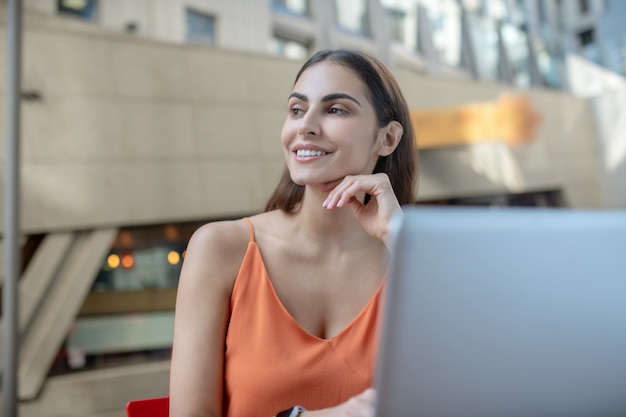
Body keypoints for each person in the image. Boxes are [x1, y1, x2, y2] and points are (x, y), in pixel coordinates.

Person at [169, 48, 417, 417]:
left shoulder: (414, 263)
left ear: (388, 139)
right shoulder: (221, 250)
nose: (306, 126)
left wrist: (403, 241)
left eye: (335, 110)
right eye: (297, 110)